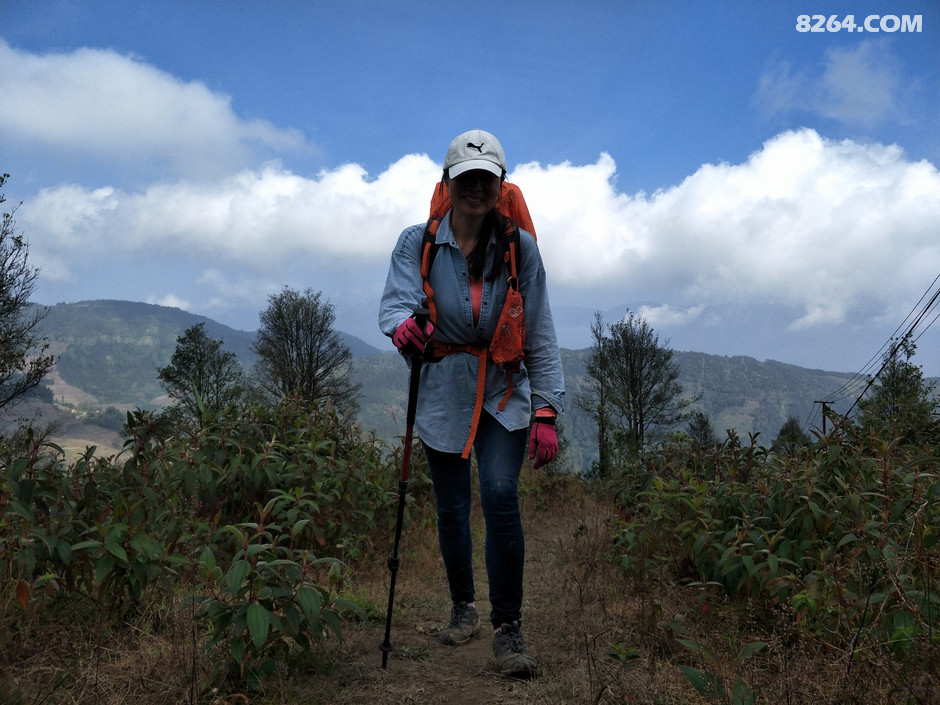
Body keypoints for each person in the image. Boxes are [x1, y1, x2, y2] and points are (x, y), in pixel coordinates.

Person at [378, 129, 565, 678]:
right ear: (447, 183)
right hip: (443, 390)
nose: (476, 188)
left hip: (505, 391)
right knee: (453, 509)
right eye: (466, 179)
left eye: (486, 179)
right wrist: (400, 331)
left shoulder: (518, 248)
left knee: (501, 496)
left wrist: (547, 410)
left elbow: (540, 332)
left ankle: (508, 629)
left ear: (500, 185)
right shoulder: (416, 243)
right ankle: (464, 608)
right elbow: (394, 307)